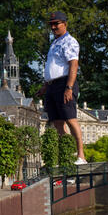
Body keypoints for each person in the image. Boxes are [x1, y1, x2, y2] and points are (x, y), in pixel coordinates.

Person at [36, 11, 87, 165]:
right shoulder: (54, 43)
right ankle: (66, 154)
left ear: (65, 23)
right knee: (57, 122)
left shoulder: (70, 41)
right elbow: (53, 67)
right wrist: (45, 86)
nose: (53, 27)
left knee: (71, 119)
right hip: (52, 86)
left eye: (56, 23)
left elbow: (73, 64)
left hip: (64, 84)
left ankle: (81, 156)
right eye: (51, 24)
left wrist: (69, 87)